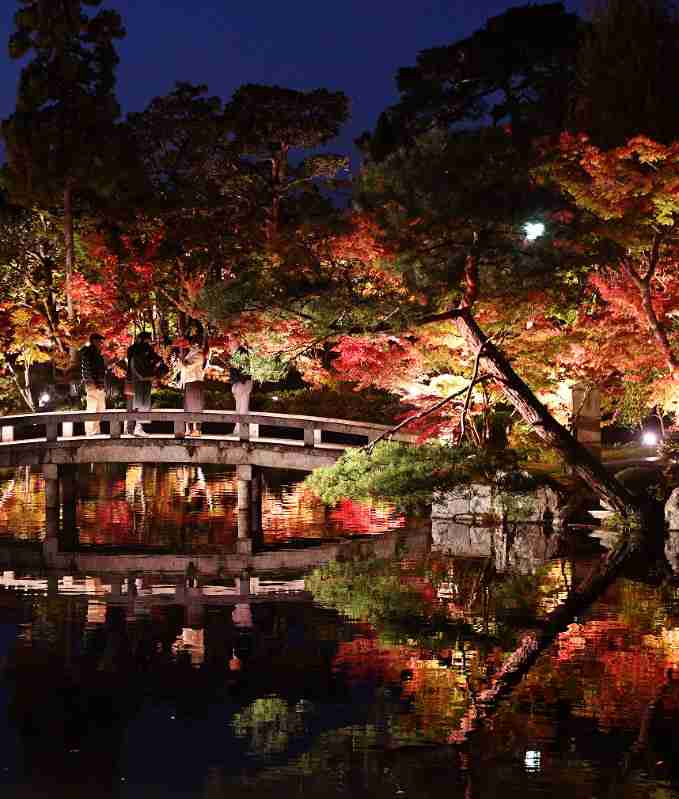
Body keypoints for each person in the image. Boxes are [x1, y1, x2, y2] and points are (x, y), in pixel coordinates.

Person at [126, 332, 164, 436]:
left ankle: (133, 428)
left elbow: (153, 361)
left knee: (138, 404)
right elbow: (138, 369)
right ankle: (136, 428)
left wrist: (156, 366)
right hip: (139, 381)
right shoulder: (138, 353)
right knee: (139, 404)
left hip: (140, 380)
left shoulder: (140, 351)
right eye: (147, 340)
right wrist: (150, 375)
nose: (149, 342)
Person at [180, 332, 208, 436]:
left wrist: (182, 361)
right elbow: (184, 365)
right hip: (189, 381)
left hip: (195, 381)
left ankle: (197, 429)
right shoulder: (191, 353)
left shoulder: (199, 355)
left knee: (196, 406)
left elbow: (187, 366)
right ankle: (190, 428)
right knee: (188, 406)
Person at [80, 333, 108, 436]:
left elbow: (99, 369)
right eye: (100, 341)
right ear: (94, 341)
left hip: (98, 383)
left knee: (100, 408)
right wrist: (92, 382)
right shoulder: (89, 352)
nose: (101, 343)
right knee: (93, 407)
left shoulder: (96, 353)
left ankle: (96, 430)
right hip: (93, 384)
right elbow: (87, 369)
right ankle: (91, 431)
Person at [229, 345, 253, 437]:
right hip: (240, 382)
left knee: (241, 408)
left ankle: (242, 430)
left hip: (242, 382)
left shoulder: (241, 353)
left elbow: (242, 370)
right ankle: (240, 429)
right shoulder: (238, 354)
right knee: (241, 407)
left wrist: (240, 381)